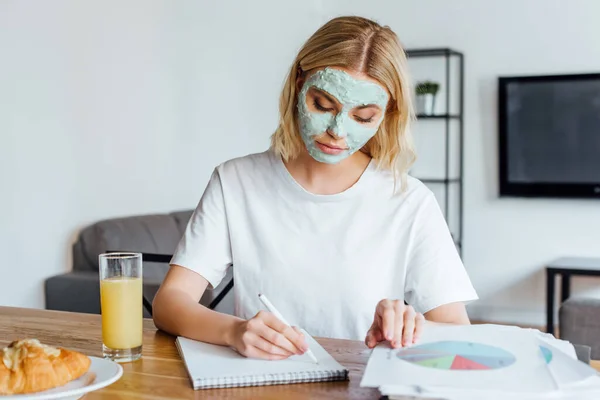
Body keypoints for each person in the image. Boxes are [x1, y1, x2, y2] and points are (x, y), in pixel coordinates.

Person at [152, 15, 478, 361]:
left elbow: (458, 330)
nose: (337, 130)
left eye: (363, 116)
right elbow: (169, 303)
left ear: (387, 114)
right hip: (259, 385)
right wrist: (233, 331)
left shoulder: (409, 202)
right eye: (323, 105)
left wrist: (411, 327)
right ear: (298, 84)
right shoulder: (235, 182)